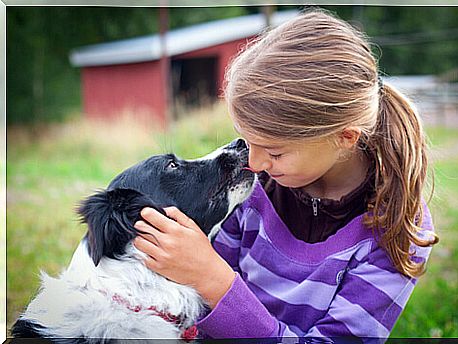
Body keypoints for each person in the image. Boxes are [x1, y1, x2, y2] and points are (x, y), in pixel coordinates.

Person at [132, 9, 439, 341]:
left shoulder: (396, 226)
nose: (253, 162)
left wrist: (214, 280)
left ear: (345, 138)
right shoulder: (254, 186)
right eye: (248, 141)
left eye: (274, 152)